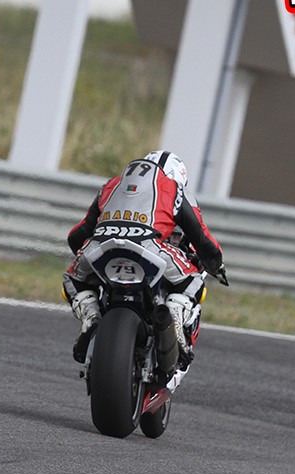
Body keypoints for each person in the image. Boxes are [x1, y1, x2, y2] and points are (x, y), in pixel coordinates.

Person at [62, 150, 226, 393]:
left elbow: (79, 233)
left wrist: (84, 254)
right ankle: (174, 318)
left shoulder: (110, 185)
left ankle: (91, 315)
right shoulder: (174, 190)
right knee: (192, 281)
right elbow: (201, 238)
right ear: (177, 177)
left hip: (101, 247)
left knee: (72, 279)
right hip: (150, 247)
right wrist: (216, 265)